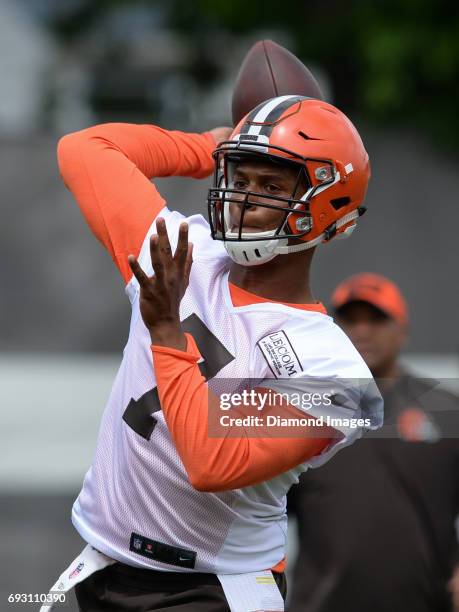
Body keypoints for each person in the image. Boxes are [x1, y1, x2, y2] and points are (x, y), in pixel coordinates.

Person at [46, 96, 382, 611]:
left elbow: (212, 462)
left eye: (271, 186)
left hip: (212, 590)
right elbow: (86, 149)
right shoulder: (188, 250)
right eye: (240, 178)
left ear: (329, 208)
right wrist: (207, 146)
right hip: (104, 568)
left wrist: (166, 333)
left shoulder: (336, 374)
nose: (243, 198)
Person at [288, 272, 459, 612]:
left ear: (403, 329)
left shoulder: (446, 410)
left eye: (376, 320)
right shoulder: (303, 412)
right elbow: (260, 512)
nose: (362, 331)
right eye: (350, 321)